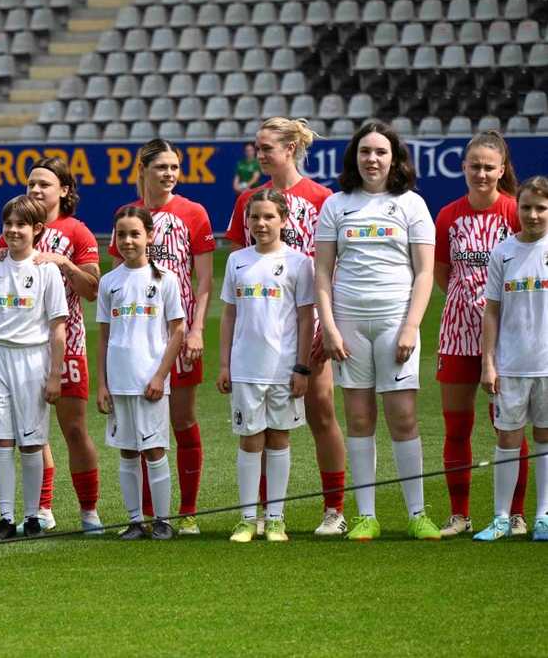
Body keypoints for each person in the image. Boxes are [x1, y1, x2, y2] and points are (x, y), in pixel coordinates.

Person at [314, 120, 442, 541]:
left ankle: (417, 513)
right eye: (365, 151)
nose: (372, 159)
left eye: (381, 152)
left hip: (395, 323)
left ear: (394, 158)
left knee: (403, 418)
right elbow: (322, 273)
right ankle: (366, 515)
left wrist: (410, 326)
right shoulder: (336, 205)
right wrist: (329, 328)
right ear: (355, 156)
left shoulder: (412, 205)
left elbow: (424, 273)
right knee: (359, 416)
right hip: (349, 325)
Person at [225, 118, 348, 537]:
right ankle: (259, 513)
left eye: (266, 148)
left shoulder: (321, 198)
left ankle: (335, 508)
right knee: (262, 423)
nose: (259, 155)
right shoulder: (250, 201)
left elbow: (334, 266)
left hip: (314, 320)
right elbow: (243, 266)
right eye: (257, 149)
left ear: (291, 147)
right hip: (268, 330)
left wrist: (325, 327)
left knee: (321, 412)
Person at [108, 139, 214, 534]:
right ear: (143, 169)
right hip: (136, 341)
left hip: (177, 335)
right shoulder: (127, 216)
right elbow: (120, 283)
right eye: (161, 167)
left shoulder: (193, 213)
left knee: (182, 420)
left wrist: (197, 329)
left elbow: (203, 279)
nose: (169, 174)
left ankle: (185, 511)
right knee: (137, 428)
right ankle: (144, 515)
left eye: (174, 167)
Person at [0, 157, 102, 534]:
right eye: (31, 184)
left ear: (65, 190)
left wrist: (66, 265)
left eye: (44, 184)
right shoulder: (15, 227)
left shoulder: (77, 233)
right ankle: (40, 509)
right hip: (23, 348)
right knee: (30, 432)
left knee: (73, 430)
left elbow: (93, 292)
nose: (36, 190)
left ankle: (89, 511)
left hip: (66, 343)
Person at [433, 130, 527, 538]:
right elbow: (441, 274)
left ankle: (516, 513)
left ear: (502, 169)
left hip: (507, 337)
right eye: (475, 166)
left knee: (507, 427)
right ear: (463, 168)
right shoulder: (449, 215)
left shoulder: (514, 213)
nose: (482, 174)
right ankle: (460, 514)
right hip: (457, 333)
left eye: (490, 167)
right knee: (457, 426)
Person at [0, 196, 68, 540]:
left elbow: (57, 328)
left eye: (21, 224)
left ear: (37, 229)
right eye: (8, 223)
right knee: (1, 440)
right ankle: (6, 518)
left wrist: (55, 374)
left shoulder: (46, 271)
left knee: (33, 441)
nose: (13, 230)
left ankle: (33, 516)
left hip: (32, 359)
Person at [218, 189, 315, 543]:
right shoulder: (237, 261)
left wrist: (302, 367)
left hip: (283, 368)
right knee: (249, 439)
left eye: (268, 216)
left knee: (278, 438)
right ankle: (247, 519)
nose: (260, 223)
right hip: (245, 367)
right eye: (254, 217)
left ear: (283, 220)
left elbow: (307, 318)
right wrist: (224, 364)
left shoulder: (299, 263)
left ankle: (275, 518)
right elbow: (229, 314)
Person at [96, 206, 186, 541]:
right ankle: (135, 520)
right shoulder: (109, 282)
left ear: (150, 236)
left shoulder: (165, 278)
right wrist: (102, 384)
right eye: (122, 234)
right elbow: (104, 336)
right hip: (119, 380)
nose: (128, 240)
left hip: (151, 379)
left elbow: (177, 331)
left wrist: (161, 376)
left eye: (135, 233)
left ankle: (162, 519)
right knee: (127, 450)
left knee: (155, 449)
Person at [474, 175, 548, 542]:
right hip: (511, 364)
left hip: (547, 365)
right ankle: (502, 517)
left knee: (545, 438)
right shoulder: (502, 252)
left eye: (541, 208)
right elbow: (491, 311)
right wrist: (489, 362)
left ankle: (543, 516)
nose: (533, 215)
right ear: (516, 208)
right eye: (526, 207)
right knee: (507, 438)